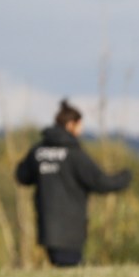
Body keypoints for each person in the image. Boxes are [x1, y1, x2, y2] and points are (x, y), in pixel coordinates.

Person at [15, 99, 131, 267]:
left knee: (60, 267)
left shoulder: (38, 151)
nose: (81, 130)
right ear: (71, 124)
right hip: (71, 230)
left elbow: (22, 176)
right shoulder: (74, 154)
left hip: (48, 229)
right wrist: (125, 177)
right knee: (70, 271)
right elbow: (100, 182)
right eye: (80, 125)